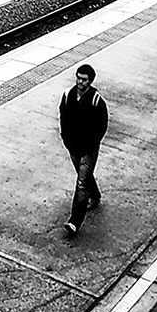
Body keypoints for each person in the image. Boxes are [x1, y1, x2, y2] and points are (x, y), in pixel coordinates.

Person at [59, 63, 108, 237]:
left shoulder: (96, 101)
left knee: (81, 183)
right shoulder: (67, 96)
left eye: (84, 79)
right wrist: (66, 139)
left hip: (88, 149)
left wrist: (91, 144)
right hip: (73, 147)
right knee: (84, 177)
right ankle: (95, 196)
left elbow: (102, 126)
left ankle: (74, 221)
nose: (80, 82)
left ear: (90, 81)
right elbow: (63, 119)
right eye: (78, 78)